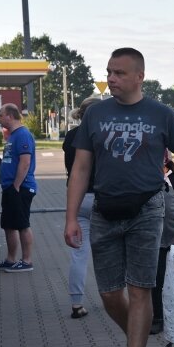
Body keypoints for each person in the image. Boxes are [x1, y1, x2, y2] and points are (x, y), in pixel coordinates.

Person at [64, 47, 174, 347]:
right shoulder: (95, 115)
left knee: (140, 289)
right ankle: (139, 338)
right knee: (109, 294)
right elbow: (81, 169)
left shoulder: (160, 114)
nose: (111, 79)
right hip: (104, 210)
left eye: (118, 73)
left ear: (138, 77)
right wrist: (70, 217)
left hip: (148, 208)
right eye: (109, 72)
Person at [62, 96, 100, 317]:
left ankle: (76, 304)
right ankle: (116, 297)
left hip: (77, 199)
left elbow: (72, 169)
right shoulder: (102, 135)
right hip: (102, 199)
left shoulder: (71, 136)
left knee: (79, 253)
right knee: (111, 252)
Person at [150, 152, 174, 335]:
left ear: (165, 159)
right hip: (155, 237)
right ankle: (157, 317)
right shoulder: (147, 178)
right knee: (156, 280)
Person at [0, 103, 37, 272]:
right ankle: (10, 259)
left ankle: (27, 261)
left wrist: (16, 186)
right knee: (8, 225)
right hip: (10, 188)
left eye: (1, 115)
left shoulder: (22, 134)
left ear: (10, 116)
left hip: (21, 188)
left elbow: (25, 162)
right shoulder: (12, 136)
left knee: (22, 224)